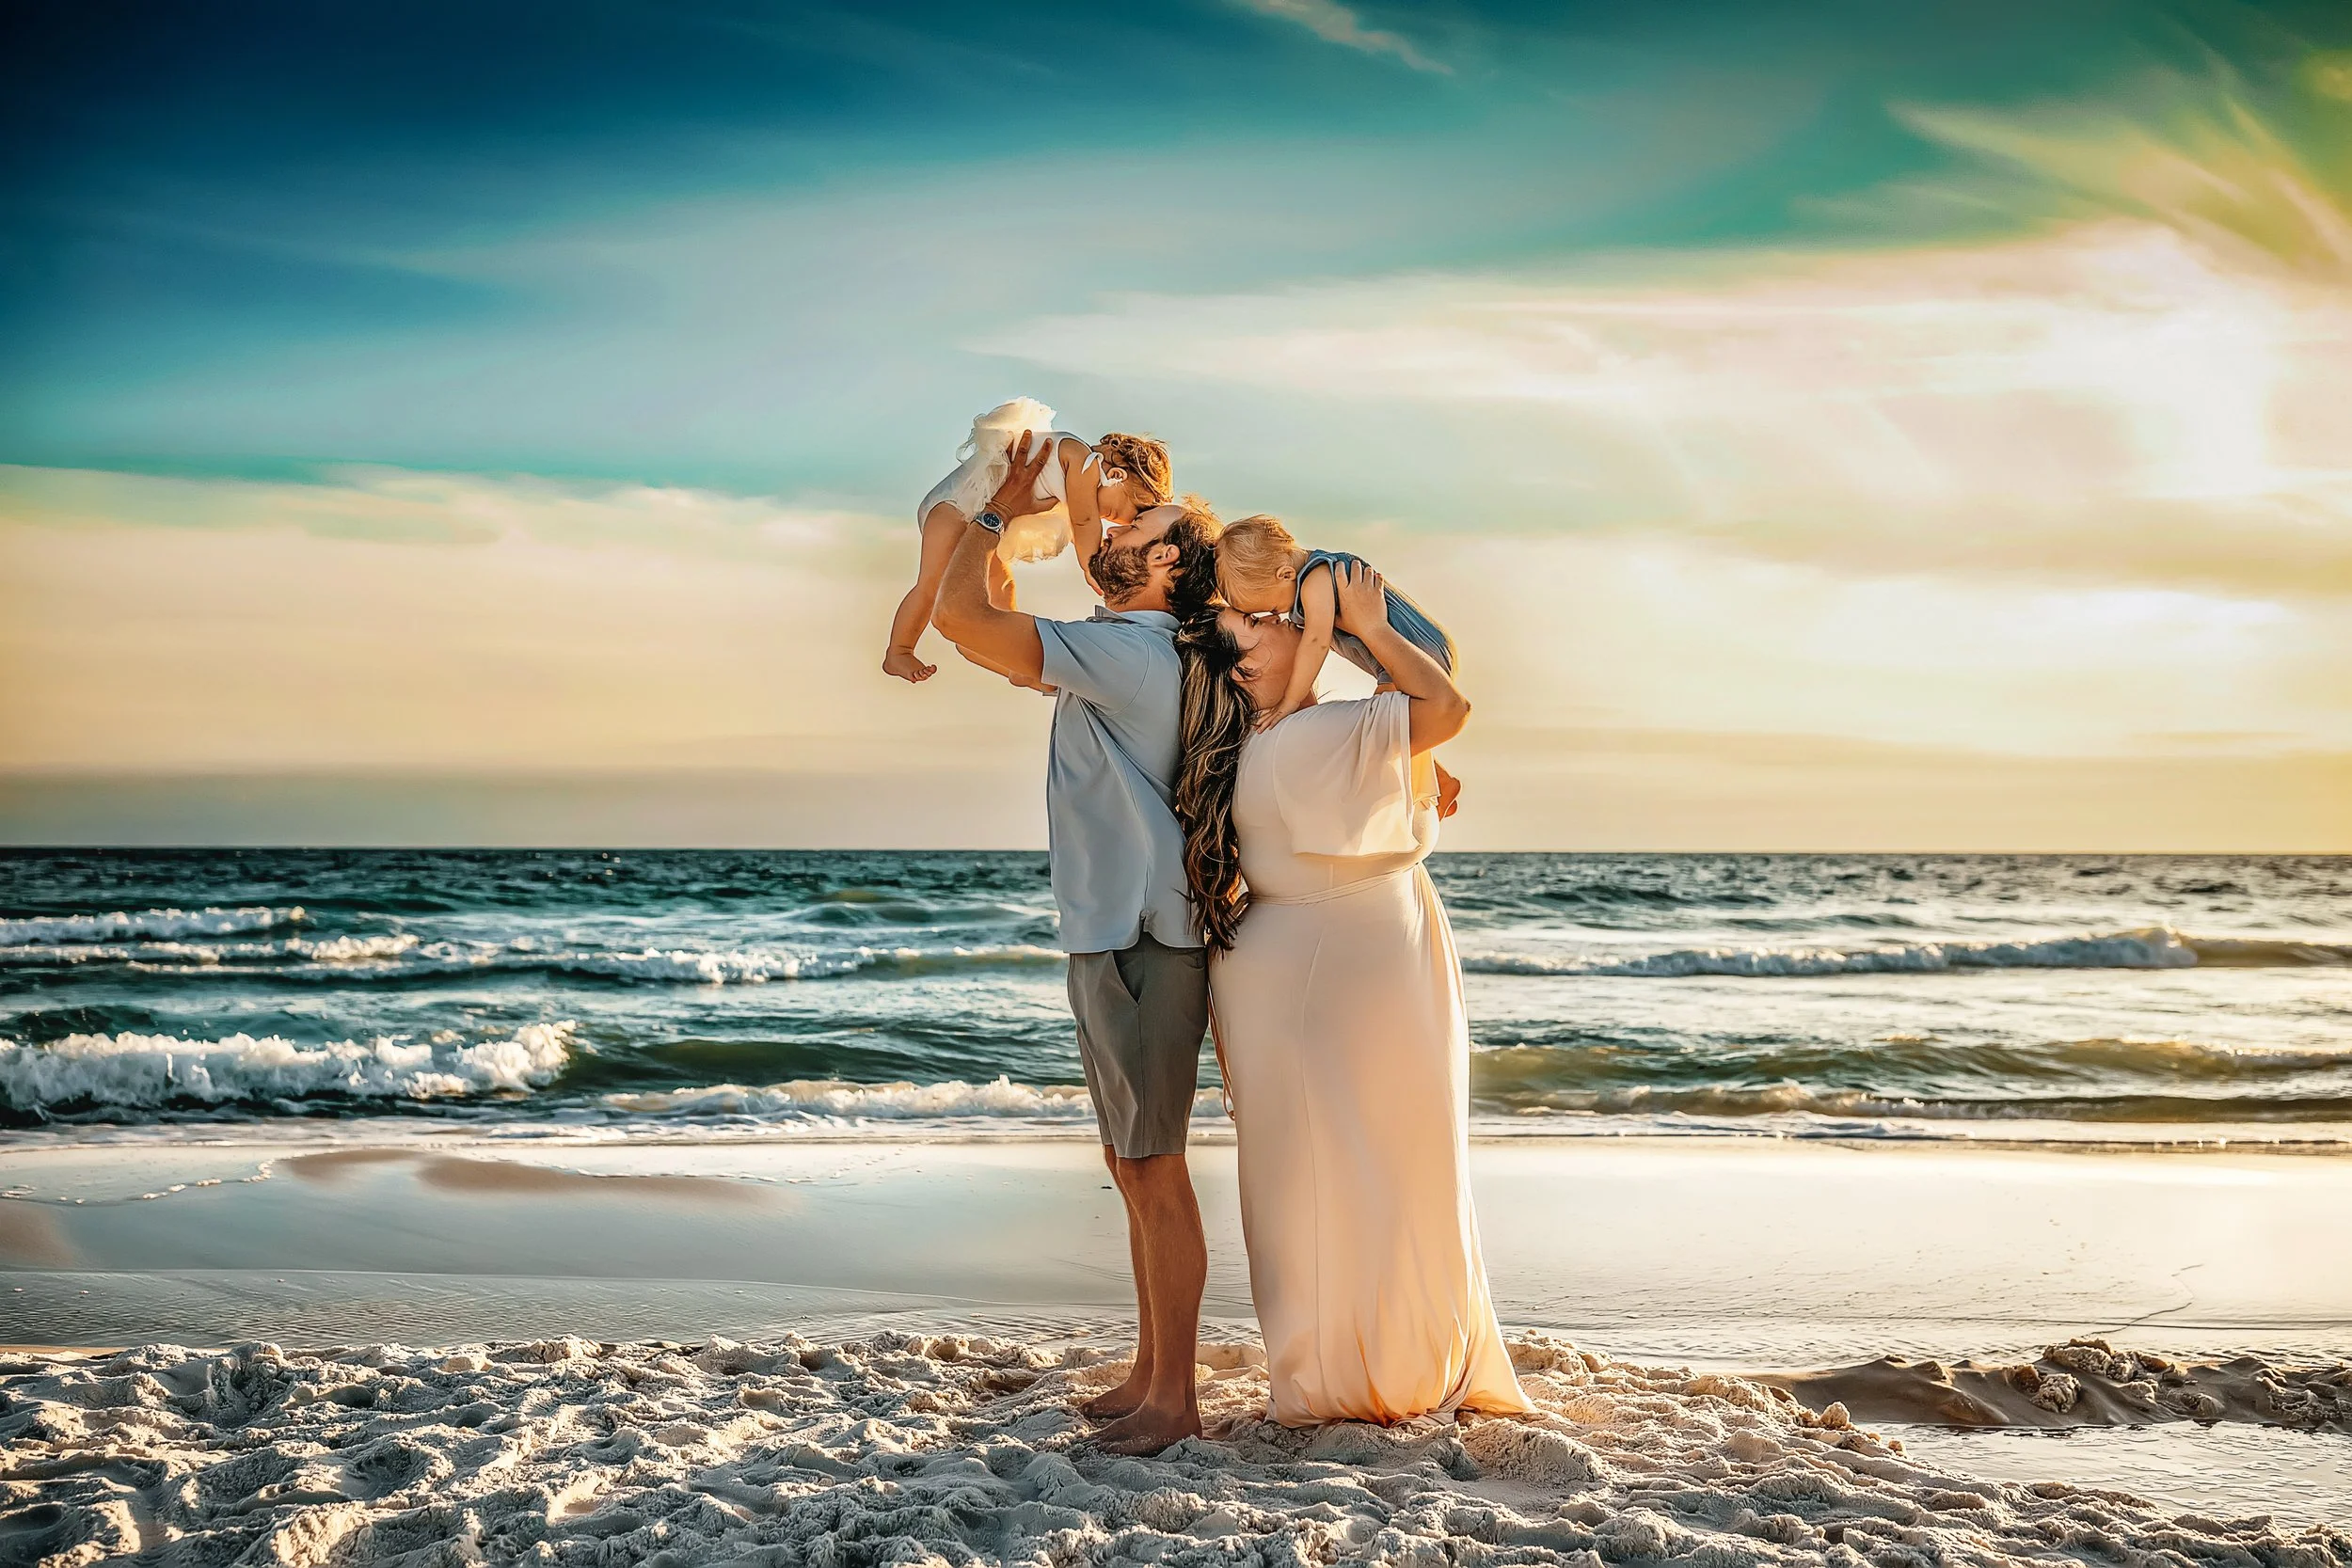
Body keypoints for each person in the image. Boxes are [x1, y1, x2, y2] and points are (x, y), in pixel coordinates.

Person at [1172, 561, 1530, 1427]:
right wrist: (1369, 625)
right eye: (1256, 622)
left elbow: (1424, 732)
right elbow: (1447, 706)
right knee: (1386, 1163)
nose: (1279, 617)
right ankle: (1379, 1372)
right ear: (1248, 667)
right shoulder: (1311, 736)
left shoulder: (1270, 741)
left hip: (1296, 966)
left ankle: (1331, 1365)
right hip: (1351, 963)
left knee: (1316, 1175)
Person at [930, 431, 1226, 1455]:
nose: (1113, 526)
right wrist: (1081, 494)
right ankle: (1150, 1372)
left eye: (1141, 527)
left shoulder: (1135, 654)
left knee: (1155, 1167)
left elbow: (963, 617)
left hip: (1142, 935)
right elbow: (1018, 614)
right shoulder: (1132, 646)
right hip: (1119, 927)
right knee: (1128, 1158)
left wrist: (999, 511)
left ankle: (1176, 1399)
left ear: (1170, 568)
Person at [885, 397, 1174, 683]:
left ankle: (1007, 650)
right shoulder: (1081, 460)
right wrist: (1090, 566)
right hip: (955, 508)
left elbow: (1079, 526)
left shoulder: (1079, 475)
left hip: (977, 516)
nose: (1104, 517)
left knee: (1002, 585)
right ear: (1116, 475)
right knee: (931, 586)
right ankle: (899, 650)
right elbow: (1084, 523)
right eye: (1112, 511)